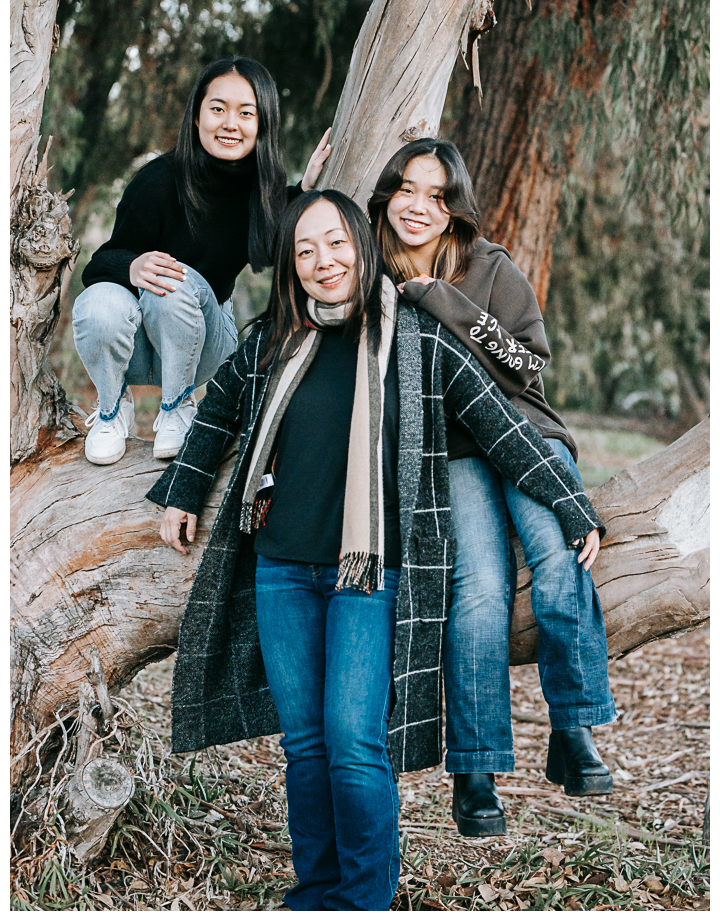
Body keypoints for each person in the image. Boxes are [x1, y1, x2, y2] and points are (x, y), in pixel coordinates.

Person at [147, 189, 604, 910]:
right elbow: (219, 410)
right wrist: (181, 490)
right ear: (292, 267)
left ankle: (364, 897)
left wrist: (571, 503)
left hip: (369, 575)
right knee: (303, 745)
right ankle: (318, 889)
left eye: (335, 243)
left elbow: (501, 426)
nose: (322, 261)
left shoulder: (417, 340)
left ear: (361, 244)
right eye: (304, 250)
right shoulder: (274, 338)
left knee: (354, 742)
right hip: (280, 569)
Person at [368, 138, 616, 837]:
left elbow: (527, 366)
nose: (420, 207)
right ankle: (474, 770)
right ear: (388, 195)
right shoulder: (371, 280)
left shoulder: (487, 266)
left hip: (526, 431)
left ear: (455, 208)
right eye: (408, 190)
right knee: (475, 589)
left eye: (438, 195)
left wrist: (444, 300)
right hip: (455, 456)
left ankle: (573, 728)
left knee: (559, 559)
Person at [72, 55, 332, 465]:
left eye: (246, 113)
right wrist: (132, 267)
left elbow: (285, 233)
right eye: (218, 109)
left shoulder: (263, 192)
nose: (231, 123)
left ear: (262, 123)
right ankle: (110, 409)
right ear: (196, 117)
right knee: (100, 301)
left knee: (173, 283)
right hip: (139, 346)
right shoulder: (157, 181)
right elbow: (99, 265)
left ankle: (177, 407)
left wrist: (305, 190)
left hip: (206, 345)